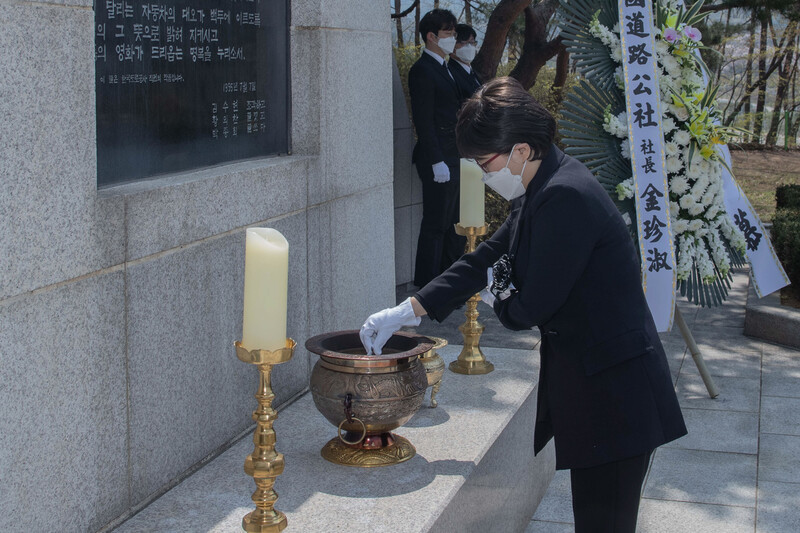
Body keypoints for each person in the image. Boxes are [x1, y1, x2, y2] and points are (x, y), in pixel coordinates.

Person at [360, 78, 687, 532]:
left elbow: (532, 307)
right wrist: (410, 308)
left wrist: (500, 295)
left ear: (518, 149)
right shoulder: (542, 181)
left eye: (483, 161)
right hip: (599, 384)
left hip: (617, 396)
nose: (480, 171)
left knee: (603, 522)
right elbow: (486, 257)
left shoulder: (564, 195)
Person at [408, 9, 466, 287]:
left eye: (454, 33)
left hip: (454, 155)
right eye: (448, 33)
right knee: (436, 224)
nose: (453, 39)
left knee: (454, 223)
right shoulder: (423, 70)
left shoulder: (446, 67)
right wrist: (435, 160)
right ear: (431, 36)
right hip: (439, 158)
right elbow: (424, 119)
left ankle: (447, 282)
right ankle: (428, 285)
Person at [449, 24, 482, 103]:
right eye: (464, 43)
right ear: (452, 44)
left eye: (472, 42)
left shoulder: (473, 72)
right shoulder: (450, 74)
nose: (469, 47)